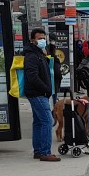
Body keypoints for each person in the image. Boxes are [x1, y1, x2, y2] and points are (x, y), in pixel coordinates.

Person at [23, 28, 60, 162]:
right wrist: (45, 89)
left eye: (44, 38)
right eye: (39, 38)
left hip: (38, 92)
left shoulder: (39, 54)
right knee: (47, 121)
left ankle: (38, 151)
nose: (42, 41)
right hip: (37, 93)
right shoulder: (32, 56)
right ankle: (45, 152)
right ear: (33, 40)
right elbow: (32, 76)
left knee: (39, 121)